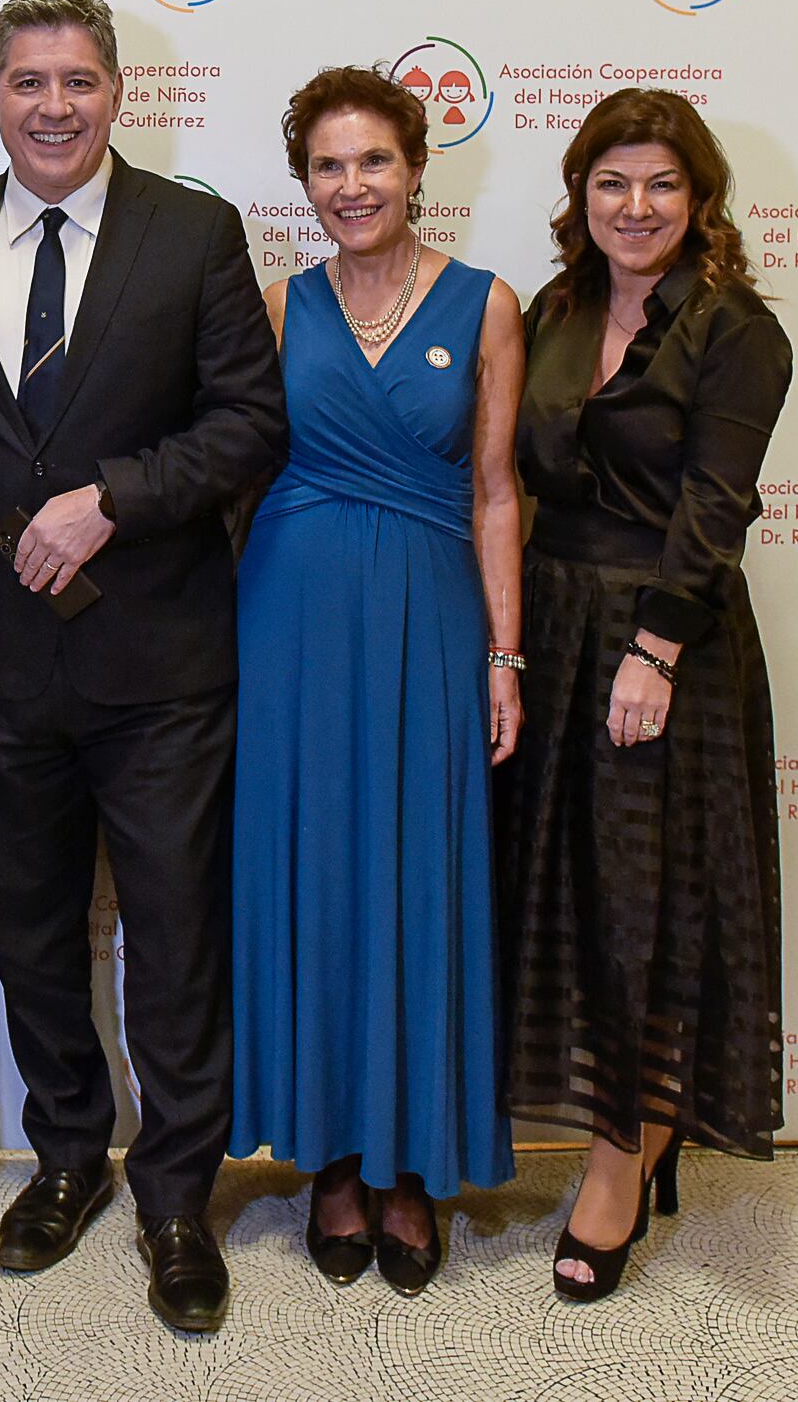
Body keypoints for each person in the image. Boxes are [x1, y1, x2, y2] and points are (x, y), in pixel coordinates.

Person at [0, 0, 287, 1334]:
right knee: (31, 934)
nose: (53, 104)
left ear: (116, 90)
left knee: (177, 940)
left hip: (165, 664)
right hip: (2, 670)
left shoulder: (195, 230)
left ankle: (177, 1189)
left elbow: (248, 422)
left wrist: (111, 496)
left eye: (77, 80)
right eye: (28, 81)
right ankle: (67, 1154)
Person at [230, 66, 525, 1298]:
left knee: (419, 881)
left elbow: (497, 491)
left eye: (375, 163)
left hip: (432, 617)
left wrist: (506, 655)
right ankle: (334, 1161)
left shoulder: (487, 301)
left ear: (418, 169)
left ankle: (415, 1169)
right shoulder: (273, 301)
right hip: (292, 616)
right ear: (305, 185)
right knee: (316, 881)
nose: (353, 186)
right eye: (329, 168)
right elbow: (234, 471)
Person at [498, 88, 792, 1301]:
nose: (636, 206)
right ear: (581, 193)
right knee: (563, 903)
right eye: (613, 181)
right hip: (555, 631)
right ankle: (611, 1129)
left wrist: (656, 651)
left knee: (647, 917)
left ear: (701, 199)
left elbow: (714, 509)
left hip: (661, 646)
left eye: (662, 184)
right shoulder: (557, 307)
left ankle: (623, 1165)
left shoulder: (737, 330)